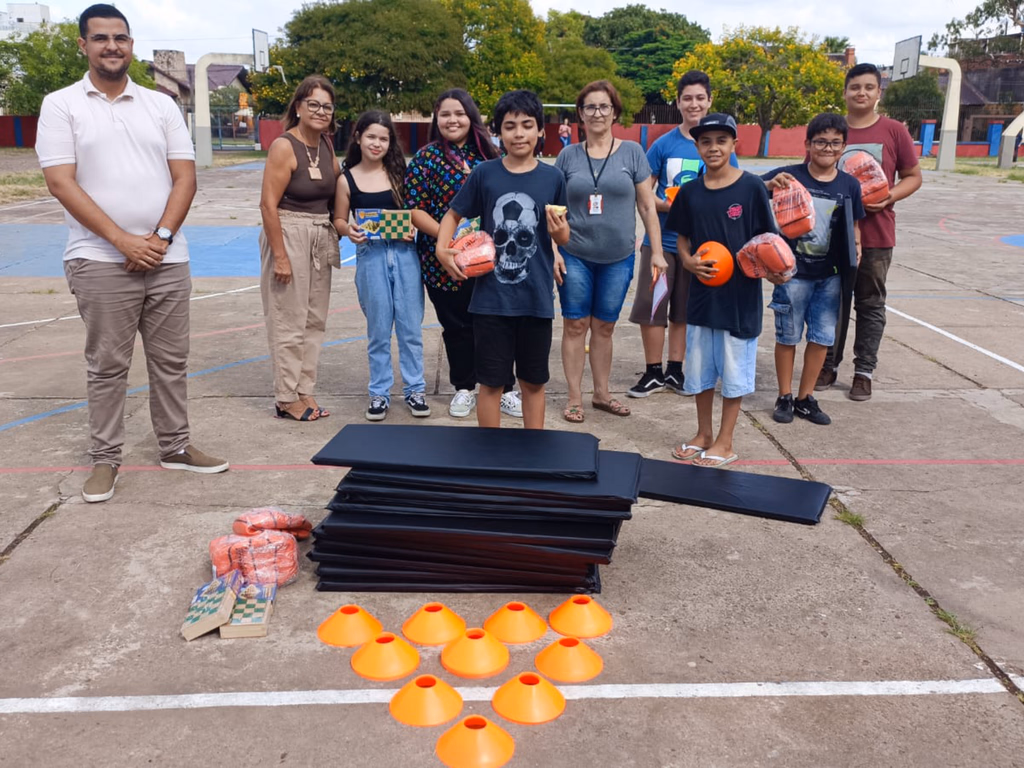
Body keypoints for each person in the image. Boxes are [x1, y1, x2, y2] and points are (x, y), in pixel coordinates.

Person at [35, 3, 228, 503]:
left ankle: (176, 447)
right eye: (100, 38)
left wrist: (160, 238)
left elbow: (185, 176)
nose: (111, 46)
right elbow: (60, 182)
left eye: (120, 37)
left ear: (132, 44)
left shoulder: (160, 105)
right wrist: (122, 240)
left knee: (171, 362)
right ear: (83, 45)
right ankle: (105, 461)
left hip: (167, 257)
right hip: (99, 261)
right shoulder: (61, 104)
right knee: (107, 366)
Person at [435, 90, 570, 429]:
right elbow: (453, 216)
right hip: (490, 301)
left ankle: (533, 453)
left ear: (541, 130)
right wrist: (442, 248)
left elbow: (565, 237)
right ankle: (489, 458)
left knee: (533, 383)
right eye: (510, 126)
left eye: (527, 125)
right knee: (491, 383)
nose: (519, 133)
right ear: (498, 132)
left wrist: (560, 234)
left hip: (536, 298)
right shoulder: (485, 174)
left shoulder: (553, 177)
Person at [665, 114, 784, 468]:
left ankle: (725, 441)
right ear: (697, 147)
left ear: (734, 144)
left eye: (721, 140)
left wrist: (773, 269)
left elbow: (769, 240)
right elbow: (682, 238)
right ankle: (703, 434)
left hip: (740, 299)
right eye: (705, 141)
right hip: (702, 297)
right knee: (700, 369)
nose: (713, 147)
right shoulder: (690, 192)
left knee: (734, 372)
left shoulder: (751, 188)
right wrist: (687, 262)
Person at [403, 89, 522, 420]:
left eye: (459, 113)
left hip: (489, 259)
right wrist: (451, 239)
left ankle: (503, 386)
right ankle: (464, 387)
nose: (452, 120)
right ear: (436, 119)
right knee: (455, 325)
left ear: (472, 117)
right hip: (442, 257)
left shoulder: (492, 156)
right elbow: (414, 209)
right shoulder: (425, 159)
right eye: (445, 114)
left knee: (495, 324)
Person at [554, 80, 664, 423]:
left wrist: (657, 251)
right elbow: (552, 209)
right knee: (575, 325)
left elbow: (647, 207)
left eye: (604, 107)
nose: (597, 113)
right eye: (590, 107)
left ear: (615, 112)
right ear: (580, 115)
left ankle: (601, 393)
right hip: (574, 253)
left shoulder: (632, 152)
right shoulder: (567, 156)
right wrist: (553, 250)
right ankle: (574, 396)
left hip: (618, 258)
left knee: (604, 327)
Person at [627, 71, 739, 398]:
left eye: (700, 98)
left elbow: (728, 189)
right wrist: (668, 205)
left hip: (700, 246)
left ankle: (676, 370)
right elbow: (644, 192)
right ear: (678, 102)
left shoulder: (720, 144)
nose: (693, 104)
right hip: (660, 242)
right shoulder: (663, 144)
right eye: (687, 98)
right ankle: (652, 371)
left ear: (709, 101)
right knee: (653, 307)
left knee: (683, 311)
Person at [816, 63, 922, 401]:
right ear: (845, 92)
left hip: (877, 235)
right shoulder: (832, 130)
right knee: (830, 303)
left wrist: (888, 196)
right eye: (855, 87)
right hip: (831, 235)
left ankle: (864, 372)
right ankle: (827, 363)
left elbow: (913, 176)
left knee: (870, 304)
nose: (861, 93)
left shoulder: (893, 131)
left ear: (878, 93)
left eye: (869, 87)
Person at [763, 113, 866, 426]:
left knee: (822, 338)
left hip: (830, 276)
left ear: (844, 147)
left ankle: (805, 397)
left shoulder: (849, 185)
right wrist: (769, 183)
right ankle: (784, 395)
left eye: (835, 143)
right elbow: (749, 189)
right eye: (820, 141)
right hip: (792, 273)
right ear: (807, 144)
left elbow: (855, 227)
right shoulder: (789, 176)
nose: (827, 147)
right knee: (788, 336)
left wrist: (856, 252)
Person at [333, 111, 429, 422]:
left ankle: (415, 389)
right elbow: (338, 219)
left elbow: (414, 213)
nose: (377, 143)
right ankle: (379, 392)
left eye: (384, 138)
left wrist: (412, 229)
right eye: (371, 136)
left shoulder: (400, 174)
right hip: (371, 255)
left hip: (404, 254)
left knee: (410, 328)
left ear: (391, 143)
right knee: (378, 330)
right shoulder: (346, 179)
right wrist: (348, 230)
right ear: (358, 137)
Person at [258, 75, 341, 422]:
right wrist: (280, 255)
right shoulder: (283, 146)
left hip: (320, 234)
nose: (321, 111)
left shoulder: (327, 144)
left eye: (327, 106)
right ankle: (285, 397)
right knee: (287, 320)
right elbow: (267, 205)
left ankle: (304, 389)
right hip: (288, 231)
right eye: (314, 105)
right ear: (299, 107)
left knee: (313, 320)